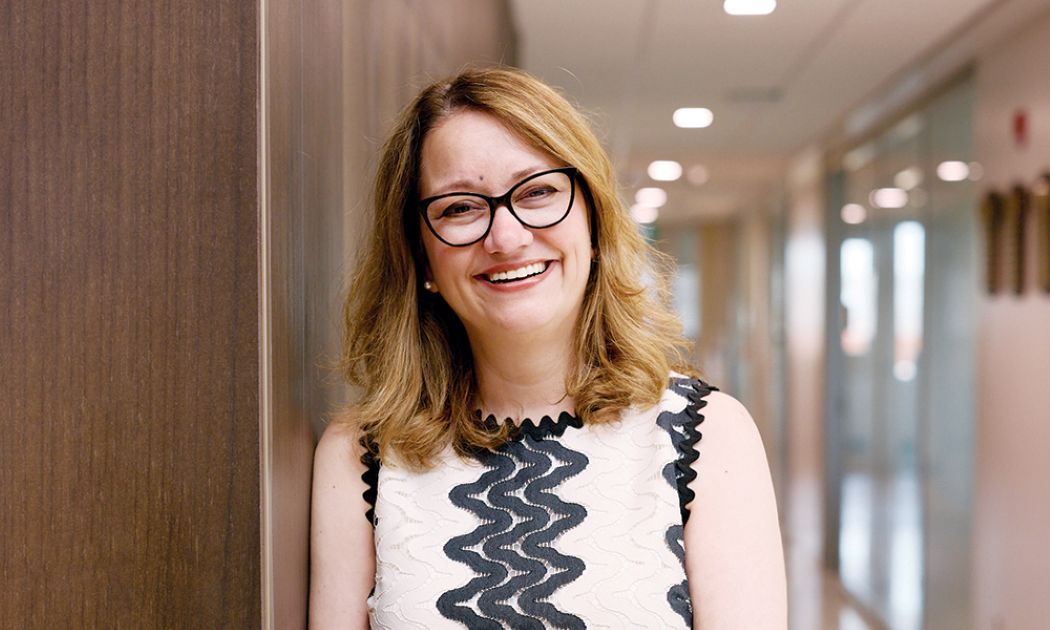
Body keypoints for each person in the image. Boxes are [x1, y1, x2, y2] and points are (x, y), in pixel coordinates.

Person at [310, 67, 786, 629]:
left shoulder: (707, 435)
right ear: (420, 255)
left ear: (594, 218)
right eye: (459, 207)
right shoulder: (360, 455)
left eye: (537, 192)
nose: (505, 238)